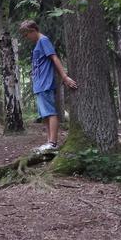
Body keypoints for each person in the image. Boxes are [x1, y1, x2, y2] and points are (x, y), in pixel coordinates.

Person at [19, 19, 77, 152]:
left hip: (45, 84)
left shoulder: (43, 41)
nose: (26, 38)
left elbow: (54, 58)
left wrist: (64, 77)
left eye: (26, 35)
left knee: (50, 113)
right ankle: (49, 142)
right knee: (45, 114)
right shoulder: (38, 43)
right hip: (39, 85)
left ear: (33, 31)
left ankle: (53, 143)